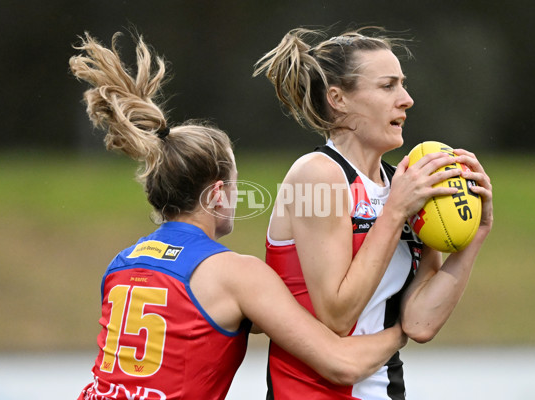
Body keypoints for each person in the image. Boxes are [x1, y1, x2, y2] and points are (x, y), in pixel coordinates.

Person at [68, 31, 411, 400]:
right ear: (217, 194)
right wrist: (402, 329)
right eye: (234, 183)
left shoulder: (120, 265)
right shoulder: (235, 276)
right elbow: (340, 363)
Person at [253, 27, 493, 399]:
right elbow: (336, 315)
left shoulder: (406, 184)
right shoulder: (316, 175)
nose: (407, 100)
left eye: (404, 85)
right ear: (339, 99)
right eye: (388, 86)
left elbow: (421, 322)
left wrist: (473, 237)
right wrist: (395, 212)